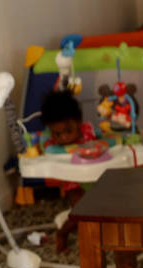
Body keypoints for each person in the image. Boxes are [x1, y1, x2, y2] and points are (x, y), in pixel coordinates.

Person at [39, 89, 97, 252]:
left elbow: (100, 145)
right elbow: (47, 150)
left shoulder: (87, 132)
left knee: (100, 208)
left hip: (93, 176)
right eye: (57, 134)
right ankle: (63, 233)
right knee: (81, 211)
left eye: (68, 131)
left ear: (79, 122)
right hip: (73, 181)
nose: (64, 138)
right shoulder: (51, 144)